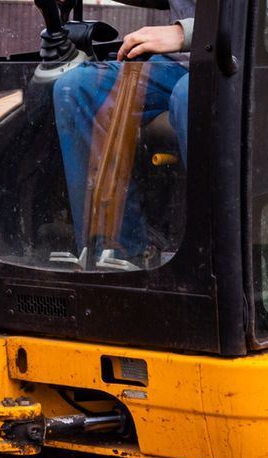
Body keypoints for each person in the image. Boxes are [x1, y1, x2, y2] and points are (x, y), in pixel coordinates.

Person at [50, 1, 195, 269]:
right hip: (178, 63)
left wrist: (186, 33)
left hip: (248, 61)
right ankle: (117, 252)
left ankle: (212, 260)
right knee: (76, 88)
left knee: (192, 96)